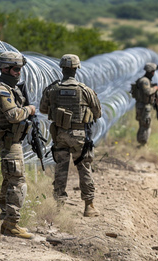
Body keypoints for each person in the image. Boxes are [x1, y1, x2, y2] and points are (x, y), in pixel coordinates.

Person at [39, 54, 102, 217]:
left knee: (61, 169)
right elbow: (98, 113)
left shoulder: (52, 89)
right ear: (76, 69)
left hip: (60, 134)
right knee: (84, 168)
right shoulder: (84, 90)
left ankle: (58, 207)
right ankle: (89, 206)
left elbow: (43, 109)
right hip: (79, 135)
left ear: (62, 68)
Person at [0, 51, 35, 239]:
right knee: (17, 181)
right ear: (5, 68)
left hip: (9, 140)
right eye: (16, 69)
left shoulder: (7, 88)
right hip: (8, 141)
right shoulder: (1, 91)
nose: (19, 72)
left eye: (20, 69)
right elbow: (13, 115)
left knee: (9, 179)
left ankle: (6, 221)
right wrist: (29, 109)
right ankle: (12, 224)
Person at [132, 62, 158, 146]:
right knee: (145, 125)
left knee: (144, 124)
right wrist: (155, 88)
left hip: (143, 106)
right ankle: (142, 143)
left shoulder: (146, 80)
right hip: (143, 106)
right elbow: (147, 91)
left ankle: (142, 142)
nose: (154, 73)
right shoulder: (144, 81)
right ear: (151, 72)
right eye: (153, 71)